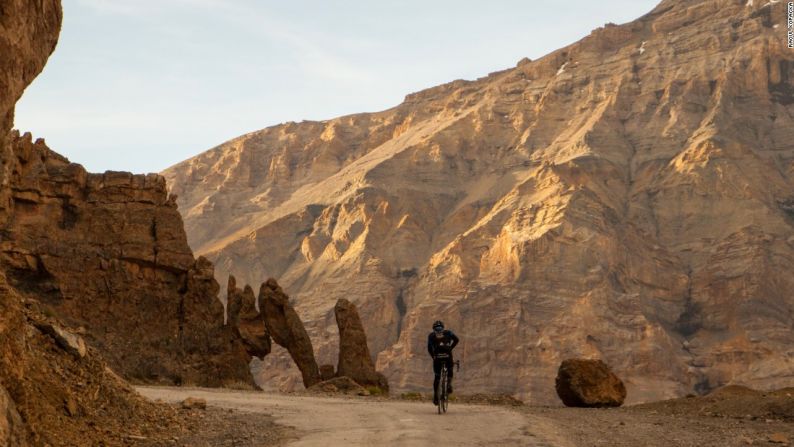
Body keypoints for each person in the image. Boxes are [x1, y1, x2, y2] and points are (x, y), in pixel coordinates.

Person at [427, 320, 459, 405]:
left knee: (437, 376)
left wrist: (433, 356)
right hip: (448, 356)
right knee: (450, 368)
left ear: (433, 329)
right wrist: (450, 348)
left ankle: (435, 397)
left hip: (437, 358)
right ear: (443, 327)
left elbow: (429, 349)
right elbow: (456, 340)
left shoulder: (431, 336)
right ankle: (448, 384)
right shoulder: (448, 332)